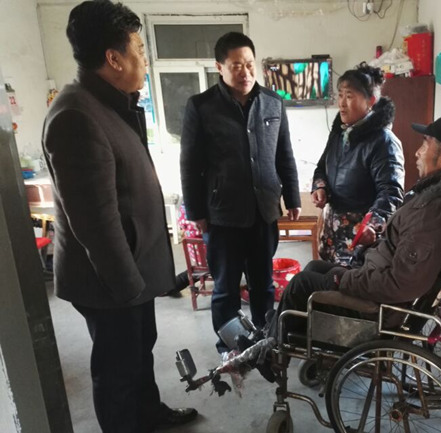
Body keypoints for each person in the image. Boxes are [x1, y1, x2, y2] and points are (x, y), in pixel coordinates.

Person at [41, 2, 197, 432]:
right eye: (140, 50)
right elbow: (95, 223)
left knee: (139, 350)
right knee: (116, 370)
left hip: (132, 270)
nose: (145, 60)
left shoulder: (108, 104)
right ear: (114, 58)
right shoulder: (76, 115)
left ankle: (149, 413)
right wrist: (128, 287)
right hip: (109, 280)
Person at [269, 114, 441, 339]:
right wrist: (378, 239)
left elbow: (401, 282)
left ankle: (273, 345)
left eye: (425, 145)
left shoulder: (435, 211)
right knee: (315, 267)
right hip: (376, 275)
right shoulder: (436, 193)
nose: (417, 153)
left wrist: (344, 279)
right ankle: (277, 330)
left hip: (378, 308)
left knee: (301, 284)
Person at [180, 32, 301, 353]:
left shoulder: (273, 102)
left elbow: (284, 154)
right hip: (222, 215)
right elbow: (190, 164)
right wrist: (196, 213)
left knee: (263, 284)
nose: (245, 72)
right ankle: (231, 349)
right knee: (225, 288)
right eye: (236, 66)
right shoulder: (201, 107)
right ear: (219, 67)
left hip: (264, 211)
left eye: (249, 65)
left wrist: (292, 197)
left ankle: (264, 343)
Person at [312, 62, 405, 266]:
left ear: (370, 101)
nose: (342, 104)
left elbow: (391, 192)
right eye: (340, 95)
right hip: (332, 234)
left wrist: (373, 225)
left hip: (360, 240)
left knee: (347, 283)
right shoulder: (340, 132)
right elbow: (322, 167)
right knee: (326, 280)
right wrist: (320, 187)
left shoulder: (383, 141)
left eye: (349, 96)